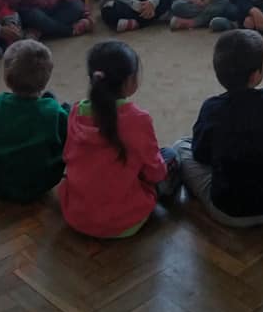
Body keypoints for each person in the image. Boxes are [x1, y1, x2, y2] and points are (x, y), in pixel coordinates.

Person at [59, 41, 179, 238]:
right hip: (124, 221)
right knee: (171, 155)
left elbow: (68, 156)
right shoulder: (138, 119)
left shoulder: (75, 111)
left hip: (77, 215)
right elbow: (155, 172)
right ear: (130, 80)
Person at [174, 29, 263, 227]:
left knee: (180, 146)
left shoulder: (212, 107)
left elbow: (201, 154)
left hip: (228, 210)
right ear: (256, 75)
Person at [0, 40, 68, 202]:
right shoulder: (54, 112)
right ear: (47, 77)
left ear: (6, 78)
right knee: (59, 108)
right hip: (39, 185)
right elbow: (67, 138)